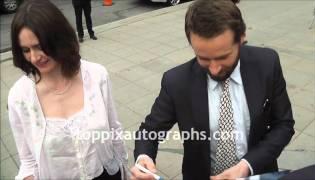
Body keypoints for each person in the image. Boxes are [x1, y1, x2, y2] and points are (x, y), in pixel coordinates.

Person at [131, 0, 295, 179]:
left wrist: (247, 166)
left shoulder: (267, 64)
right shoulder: (176, 82)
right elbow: (149, 131)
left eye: (223, 57)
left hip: (257, 173)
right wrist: (143, 158)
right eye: (203, 58)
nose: (214, 69)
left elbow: (283, 125)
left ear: (241, 39)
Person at [8, 0, 128, 179]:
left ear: (59, 38)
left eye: (39, 46)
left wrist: (125, 168)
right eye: (25, 50)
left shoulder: (96, 75)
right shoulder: (20, 97)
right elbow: (28, 160)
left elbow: (113, 130)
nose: (34, 57)